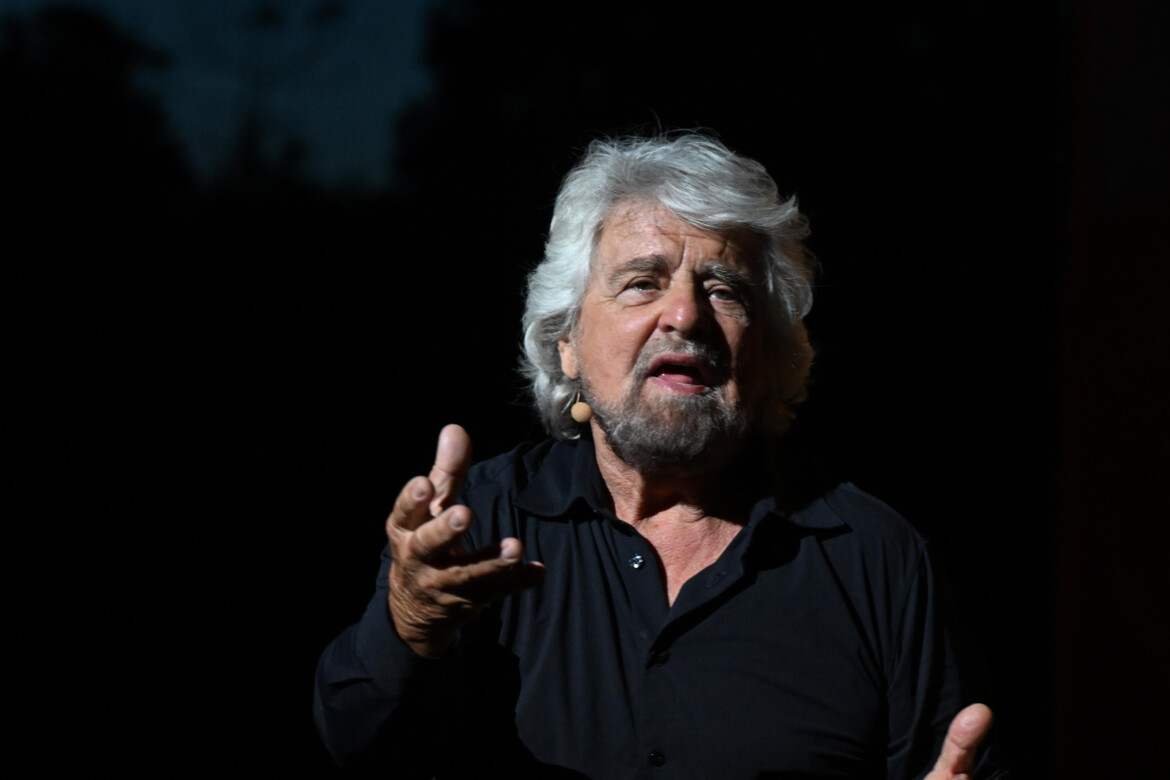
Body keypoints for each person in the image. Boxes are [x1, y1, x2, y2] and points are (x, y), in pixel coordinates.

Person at [313, 134, 1002, 778]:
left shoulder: (876, 559)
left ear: (769, 354)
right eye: (643, 281)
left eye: (724, 290)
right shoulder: (475, 525)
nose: (686, 315)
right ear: (567, 341)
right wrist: (408, 622)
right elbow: (353, 738)